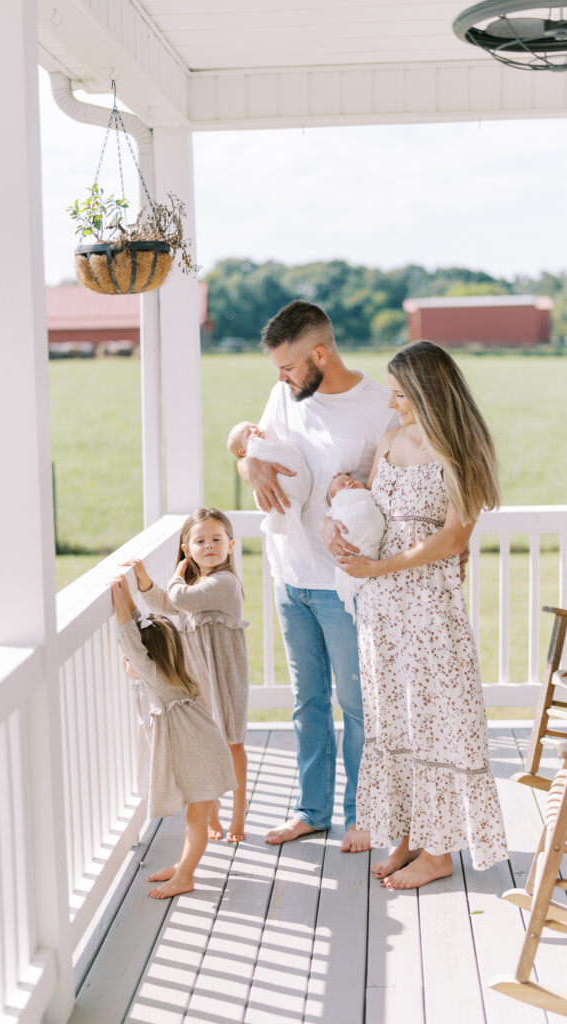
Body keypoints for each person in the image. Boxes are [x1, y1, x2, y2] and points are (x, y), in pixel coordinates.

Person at [337, 340, 509, 889]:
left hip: (429, 609)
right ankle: (407, 837)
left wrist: (379, 567)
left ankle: (438, 853)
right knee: (393, 718)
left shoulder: (461, 451)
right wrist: (340, 522)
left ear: (432, 394)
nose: (394, 404)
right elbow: (375, 509)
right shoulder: (391, 440)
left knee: (435, 720)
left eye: (403, 394)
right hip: (382, 610)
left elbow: (451, 537)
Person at [230, 300, 397, 852]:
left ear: (320, 354)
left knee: (356, 704)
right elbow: (256, 452)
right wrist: (247, 462)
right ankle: (311, 810)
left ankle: (363, 814)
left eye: (288, 366)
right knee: (308, 703)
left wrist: (354, 489)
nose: (280, 378)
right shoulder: (284, 396)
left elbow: (398, 493)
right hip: (290, 575)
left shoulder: (379, 408)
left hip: (345, 587)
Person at [123, 508, 249, 843]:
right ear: (188, 546)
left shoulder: (224, 583)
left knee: (232, 743)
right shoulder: (198, 585)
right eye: (200, 541)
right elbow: (168, 604)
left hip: (225, 677)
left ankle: (239, 815)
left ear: (231, 545)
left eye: (217, 539)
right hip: (198, 676)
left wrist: (178, 571)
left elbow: (179, 596)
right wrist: (143, 579)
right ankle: (212, 810)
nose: (209, 546)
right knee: (206, 744)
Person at [110, 575, 236, 899]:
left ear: (146, 660)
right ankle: (183, 863)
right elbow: (139, 634)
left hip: (203, 758)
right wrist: (127, 600)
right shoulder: (171, 670)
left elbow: (130, 640)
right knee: (195, 816)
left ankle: (186, 876)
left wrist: (118, 598)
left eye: (130, 660)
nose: (127, 663)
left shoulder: (156, 680)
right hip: (204, 753)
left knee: (196, 821)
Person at [227, 421, 313, 581]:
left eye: (253, 425)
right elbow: (246, 460)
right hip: (290, 573)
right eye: (248, 433)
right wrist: (250, 462)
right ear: (242, 450)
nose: (255, 429)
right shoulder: (280, 399)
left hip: (328, 574)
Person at [326, 472, 385, 619]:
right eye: (342, 486)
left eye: (350, 480)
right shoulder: (341, 505)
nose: (349, 483)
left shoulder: (368, 497)